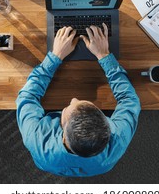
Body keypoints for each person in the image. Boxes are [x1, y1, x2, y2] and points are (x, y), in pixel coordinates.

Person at [16, 23, 141, 177]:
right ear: (108, 124)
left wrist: (55, 56)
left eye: (70, 106)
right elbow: (130, 100)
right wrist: (104, 55)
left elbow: (27, 96)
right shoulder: (118, 138)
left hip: (47, 162)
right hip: (98, 167)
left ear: (62, 132)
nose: (74, 98)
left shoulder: (35, 138)